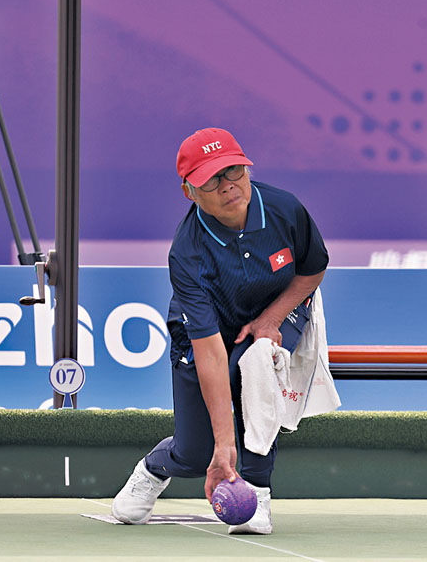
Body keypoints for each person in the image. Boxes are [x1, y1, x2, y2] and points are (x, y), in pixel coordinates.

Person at [111, 127, 329, 534]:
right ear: (189, 191)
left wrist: (273, 318)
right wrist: (222, 450)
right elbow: (211, 353)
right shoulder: (187, 251)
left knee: (257, 366)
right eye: (212, 179)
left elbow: (313, 267)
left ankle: (259, 493)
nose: (228, 186)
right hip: (205, 330)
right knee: (196, 454)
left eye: (234, 171)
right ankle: (153, 470)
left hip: (274, 314)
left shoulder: (284, 210)